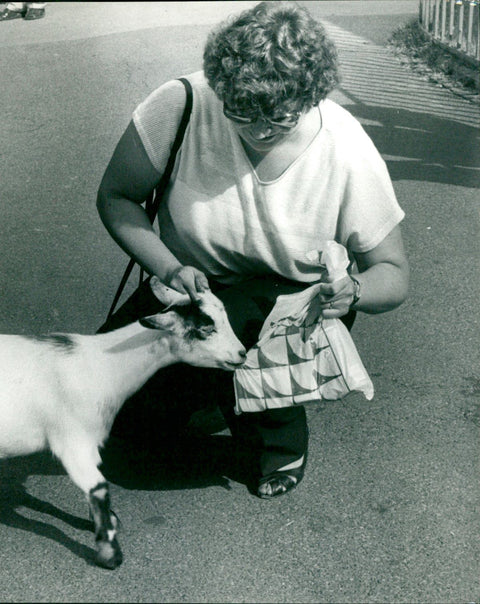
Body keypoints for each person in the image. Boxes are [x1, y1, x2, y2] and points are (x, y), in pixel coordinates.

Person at [96, 1, 409, 499]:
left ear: (311, 97)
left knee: (246, 324)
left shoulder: (345, 145)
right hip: (192, 288)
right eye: (240, 114)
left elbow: (393, 274)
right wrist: (169, 267)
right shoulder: (182, 103)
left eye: (280, 120)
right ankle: (215, 391)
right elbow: (116, 197)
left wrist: (352, 292)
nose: (260, 132)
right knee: (113, 419)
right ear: (219, 89)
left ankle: (278, 443)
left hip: (295, 306)